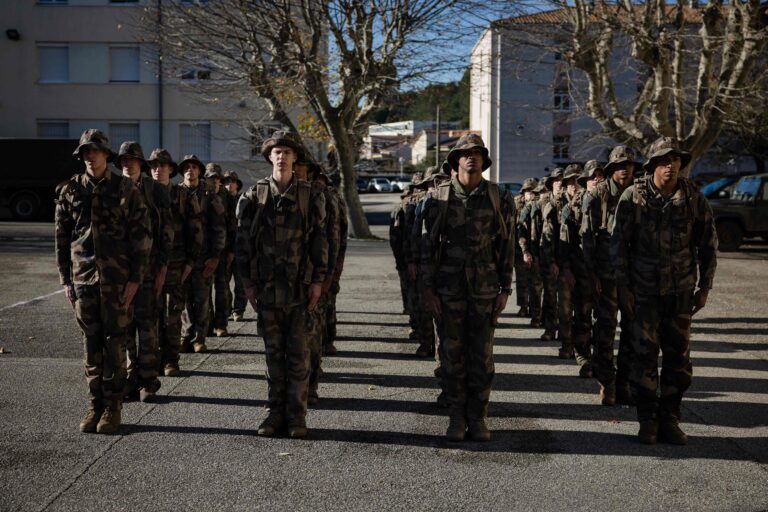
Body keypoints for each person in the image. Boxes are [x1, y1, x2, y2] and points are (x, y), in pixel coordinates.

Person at [611, 137, 717, 445]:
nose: (671, 166)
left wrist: (705, 286)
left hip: (680, 292)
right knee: (643, 357)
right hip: (643, 293)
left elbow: (708, 245)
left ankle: (670, 417)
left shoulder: (693, 198)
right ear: (653, 165)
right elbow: (618, 246)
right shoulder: (633, 197)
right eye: (664, 161)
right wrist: (623, 287)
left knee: (678, 359)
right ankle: (647, 419)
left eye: (675, 160)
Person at [55, 129, 151, 434]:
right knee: (91, 342)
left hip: (117, 281)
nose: (90, 155)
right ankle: (95, 404)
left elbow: (142, 237)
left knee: (115, 342)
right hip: (83, 278)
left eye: (95, 150)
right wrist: (65, 280)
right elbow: (61, 238)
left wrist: (136, 279)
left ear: (106, 155)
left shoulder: (125, 188)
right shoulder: (70, 190)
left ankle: (113, 406)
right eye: (85, 151)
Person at [421, 133, 514, 442]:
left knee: (482, 357)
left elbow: (507, 245)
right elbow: (426, 247)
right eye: (466, 153)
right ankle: (456, 417)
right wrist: (429, 290)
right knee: (451, 356)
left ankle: (478, 416)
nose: (472, 156)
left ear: (483, 160)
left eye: (477, 152)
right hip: (449, 290)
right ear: (456, 160)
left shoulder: (499, 196)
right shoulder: (438, 198)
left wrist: (505, 289)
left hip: (485, 290)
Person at [235, 130, 328, 438]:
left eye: (287, 152)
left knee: (299, 357)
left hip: (300, 290)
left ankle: (297, 417)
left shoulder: (311, 195)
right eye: (277, 152)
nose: (282, 157)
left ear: (295, 157)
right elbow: (243, 244)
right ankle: (275, 414)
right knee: (273, 357)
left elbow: (320, 241)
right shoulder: (254, 195)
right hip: (267, 291)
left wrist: (318, 281)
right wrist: (248, 283)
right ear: (269, 157)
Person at [117, 141, 172, 403]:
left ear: (141, 163)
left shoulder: (155, 190)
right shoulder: (113, 188)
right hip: (120, 271)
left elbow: (166, 231)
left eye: (132, 159)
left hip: (149, 269)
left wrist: (163, 267)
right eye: (124, 160)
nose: (128, 164)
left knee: (148, 326)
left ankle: (149, 380)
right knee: (125, 326)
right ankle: (131, 378)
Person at [581, 147, 636, 405]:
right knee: (604, 331)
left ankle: (625, 384)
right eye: (619, 165)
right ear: (611, 168)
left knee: (633, 332)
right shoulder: (597, 195)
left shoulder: (640, 194)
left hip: (635, 276)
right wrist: (592, 274)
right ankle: (607, 384)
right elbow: (587, 238)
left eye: (629, 165)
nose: (625, 169)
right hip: (605, 275)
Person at [149, 148, 203, 377]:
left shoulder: (183, 196)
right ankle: (153, 360)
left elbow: (196, 232)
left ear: (170, 169)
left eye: (162, 165)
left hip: (176, 265)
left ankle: (171, 360)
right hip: (149, 266)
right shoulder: (143, 193)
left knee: (173, 316)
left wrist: (190, 263)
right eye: (154, 165)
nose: (158, 169)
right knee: (151, 316)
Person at [179, 155, 227, 353]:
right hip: (182, 257)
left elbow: (219, 227)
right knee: (183, 300)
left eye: (194, 167)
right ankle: (185, 335)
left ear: (199, 172)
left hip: (204, 257)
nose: (190, 170)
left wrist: (215, 256)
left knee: (201, 299)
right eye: (186, 168)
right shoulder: (177, 193)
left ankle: (199, 337)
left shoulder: (209, 195)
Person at [557, 164, 594, 378]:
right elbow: (563, 241)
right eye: (569, 181)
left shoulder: (608, 202)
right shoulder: (568, 207)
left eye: (575, 180)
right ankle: (579, 353)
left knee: (603, 319)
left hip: (603, 271)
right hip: (577, 269)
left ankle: (599, 359)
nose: (573, 185)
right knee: (575, 313)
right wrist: (564, 268)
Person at [205, 163, 236, 338]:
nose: (214, 181)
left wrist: (232, 250)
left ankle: (221, 324)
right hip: (206, 250)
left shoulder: (227, 197)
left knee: (222, 288)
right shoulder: (202, 195)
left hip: (223, 250)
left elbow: (233, 225)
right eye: (211, 178)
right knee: (205, 290)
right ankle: (207, 324)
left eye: (217, 178)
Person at [517, 178, 543, 326]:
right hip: (527, 250)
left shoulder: (542, 205)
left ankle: (539, 316)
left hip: (542, 251)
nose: (530, 194)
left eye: (533, 191)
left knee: (539, 286)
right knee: (527, 282)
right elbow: (521, 230)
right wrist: (525, 250)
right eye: (527, 191)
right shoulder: (523, 207)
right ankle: (530, 310)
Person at [223, 171, 247, 322]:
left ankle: (238, 309)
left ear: (237, 185)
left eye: (232, 182)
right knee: (224, 283)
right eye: (226, 182)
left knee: (240, 282)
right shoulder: (220, 200)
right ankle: (226, 309)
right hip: (224, 248)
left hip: (240, 248)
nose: (229, 185)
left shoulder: (243, 200)